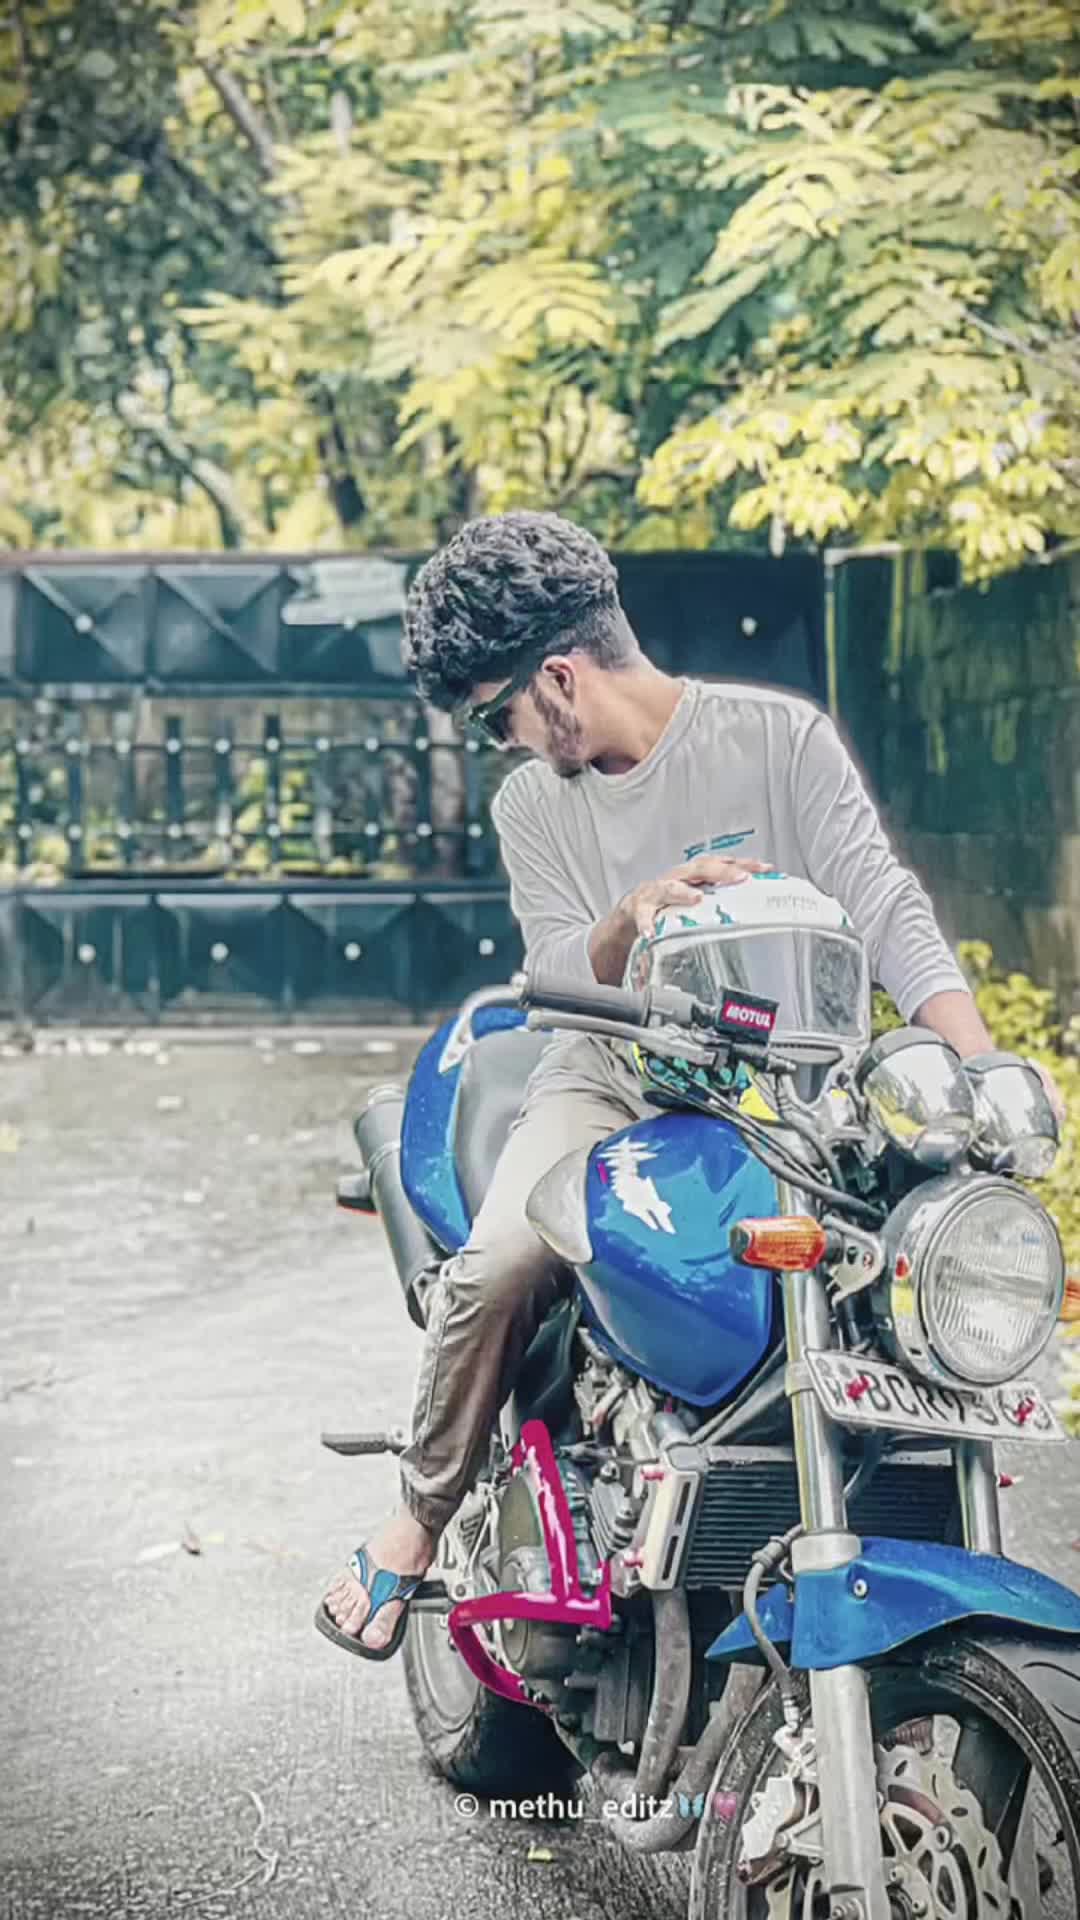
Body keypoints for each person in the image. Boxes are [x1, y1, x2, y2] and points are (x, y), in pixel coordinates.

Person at [321, 508, 1054, 1656]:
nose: (504, 743)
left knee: (903, 1278)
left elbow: (886, 908)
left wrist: (978, 1065)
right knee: (504, 1261)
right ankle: (417, 1520)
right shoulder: (535, 806)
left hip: (788, 1096)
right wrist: (629, 917)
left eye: (497, 716)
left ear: (559, 679)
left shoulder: (779, 739)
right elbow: (556, 968)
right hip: (606, 1081)